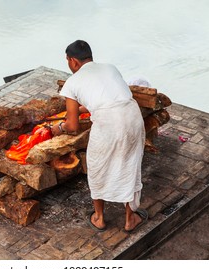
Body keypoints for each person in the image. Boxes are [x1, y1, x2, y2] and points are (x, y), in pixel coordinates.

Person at [51, 40, 148, 232]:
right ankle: (130, 219)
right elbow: (107, 97)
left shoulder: (72, 82)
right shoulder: (110, 68)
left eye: (68, 61)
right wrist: (80, 110)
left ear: (73, 61)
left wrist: (59, 128)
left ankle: (99, 217)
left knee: (96, 166)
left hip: (109, 124)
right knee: (130, 164)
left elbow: (72, 125)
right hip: (132, 116)